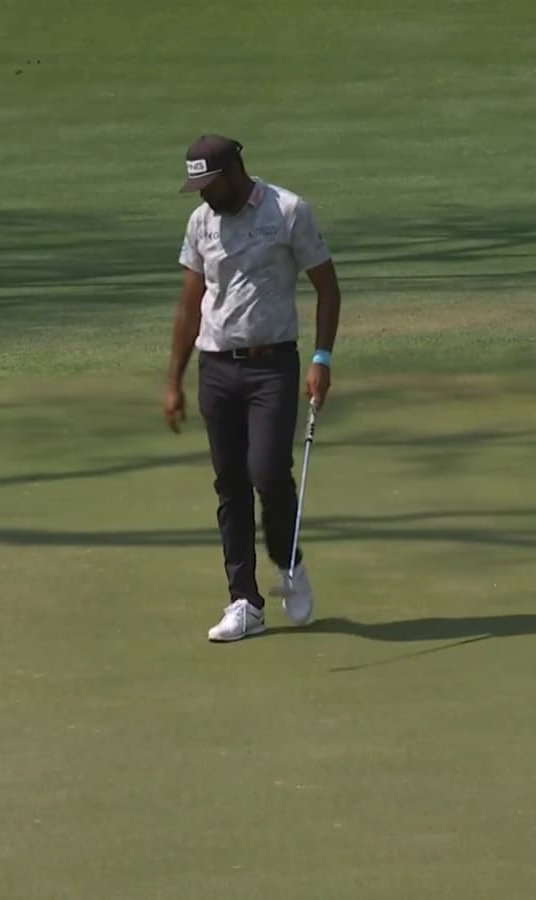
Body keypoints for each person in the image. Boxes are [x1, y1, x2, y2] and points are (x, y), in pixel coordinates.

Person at [163, 135, 342, 642]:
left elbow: (328, 287)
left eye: (208, 183)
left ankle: (289, 562)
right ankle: (245, 601)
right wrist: (174, 379)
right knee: (230, 485)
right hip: (216, 367)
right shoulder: (201, 223)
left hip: (273, 366)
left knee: (266, 471)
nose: (202, 194)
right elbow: (188, 303)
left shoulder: (288, 211)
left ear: (235, 170)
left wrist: (322, 358)